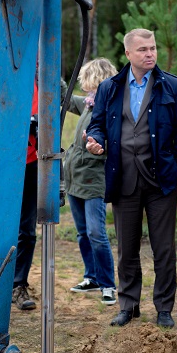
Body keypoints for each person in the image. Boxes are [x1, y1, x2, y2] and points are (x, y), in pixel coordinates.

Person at [86, 28, 177, 328]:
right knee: (127, 249)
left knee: (164, 249)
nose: (150, 54)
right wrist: (95, 140)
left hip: (162, 182)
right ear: (128, 54)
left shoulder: (172, 85)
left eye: (153, 48)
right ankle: (128, 305)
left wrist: (176, 167)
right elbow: (97, 125)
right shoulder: (110, 88)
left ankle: (164, 309)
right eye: (143, 49)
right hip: (124, 180)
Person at [64, 58, 118, 305]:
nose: (82, 83)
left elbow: (115, 145)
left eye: (86, 77)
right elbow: (68, 98)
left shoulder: (110, 107)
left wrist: (99, 147)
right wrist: (48, 72)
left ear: (97, 78)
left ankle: (108, 284)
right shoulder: (89, 104)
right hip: (76, 177)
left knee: (96, 233)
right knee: (83, 232)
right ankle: (92, 277)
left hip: (94, 179)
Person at [11, 75, 39, 311]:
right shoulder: (3, 76)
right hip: (4, 163)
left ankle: (18, 284)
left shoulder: (43, 82)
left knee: (27, 231)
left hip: (32, 164)